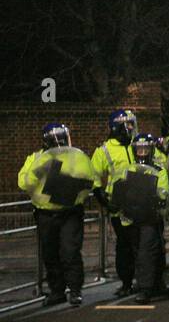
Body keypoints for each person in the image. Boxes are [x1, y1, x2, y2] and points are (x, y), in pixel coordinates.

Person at [18, 123, 95, 307]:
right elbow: (23, 183)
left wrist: (64, 176)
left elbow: (86, 178)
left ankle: (75, 290)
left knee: (70, 252)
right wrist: (40, 170)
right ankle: (57, 291)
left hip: (70, 212)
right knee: (50, 254)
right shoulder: (36, 158)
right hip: (45, 213)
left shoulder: (75, 157)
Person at [91, 108, 140, 299]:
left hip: (141, 201)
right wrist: (103, 200)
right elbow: (93, 177)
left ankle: (147, 280)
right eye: (127, 124)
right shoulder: (104, 150)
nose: (130, 128)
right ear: (116, 127)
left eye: (131, 124)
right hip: (119, 205)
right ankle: (127, 282)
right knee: (125, 245)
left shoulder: (138, 143)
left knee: (144, 243)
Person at [117, 134, 169, 303]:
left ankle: (146, 287)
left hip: (150, 216)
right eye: (139, 149)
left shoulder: (159, 170)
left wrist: (157, 199)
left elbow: (163, 191)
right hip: (132, 216)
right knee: (138, 251)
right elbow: (118, 190)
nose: (142, 152)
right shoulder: (128, 169)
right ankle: (153, 281)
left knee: (147, 251)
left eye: (145, 149)